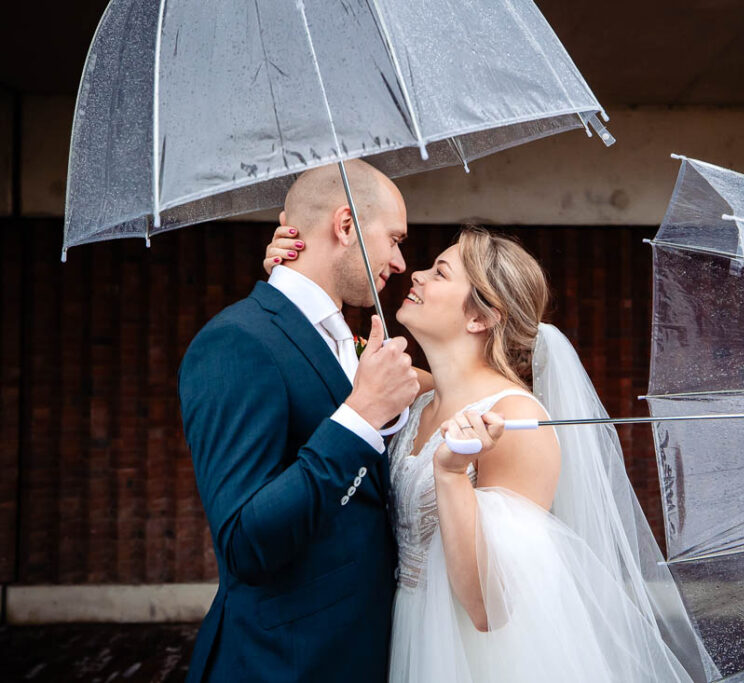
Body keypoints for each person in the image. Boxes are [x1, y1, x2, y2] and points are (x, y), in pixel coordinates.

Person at [265, 225, 714, 682]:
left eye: (439, 273)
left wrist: (452, 473)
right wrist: (298, 276)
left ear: (481, 317)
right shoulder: (416, 395)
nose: (416, 275)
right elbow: (338, 360)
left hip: (471, 656)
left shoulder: (516, 421)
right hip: (391, 632)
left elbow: (489, 606)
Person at [178, 160, 422, 682]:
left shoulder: (343, 339)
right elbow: (244, 542)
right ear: (346, 225)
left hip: (357, 652)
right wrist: (359, 417)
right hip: (283, 663)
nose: (400, 262)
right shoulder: (237, 341)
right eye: (395, 239)